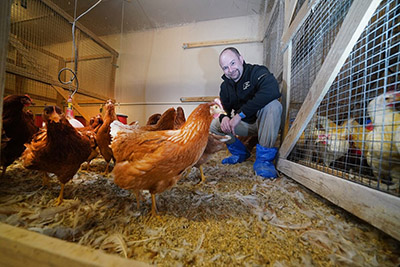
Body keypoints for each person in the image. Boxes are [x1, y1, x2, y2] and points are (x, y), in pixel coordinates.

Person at [210, 47, 282, 178]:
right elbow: (225, 109)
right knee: (215, 125)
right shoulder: (225, 87)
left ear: (241, 59)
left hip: (265, 123)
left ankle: (264, 161)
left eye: (232, 63)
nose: (230, 70)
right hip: (246, 125)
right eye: (225, 67)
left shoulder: (257, 72)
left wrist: (240, 115)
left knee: (273, 105)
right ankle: (240, 153)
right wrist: (224, 117)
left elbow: (272, 91)